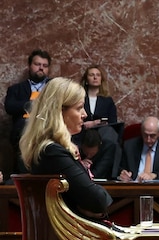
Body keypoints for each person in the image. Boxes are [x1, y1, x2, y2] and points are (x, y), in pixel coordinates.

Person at [19, 77, 112, 218]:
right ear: (59, 112)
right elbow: (98, 201)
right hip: (72, 237)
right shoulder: (52, 152)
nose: (85, 115)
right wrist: (86, 205)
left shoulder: (51, 149)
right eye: (79, 108)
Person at [5, 49, 51, 144]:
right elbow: (9, 107)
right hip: (24, 133)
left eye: (45, 65)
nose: (41, 68)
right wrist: (31, 104)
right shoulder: (16, 89)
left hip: (48, 130)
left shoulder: (56, 87)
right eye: (37, 64)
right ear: (29, 66)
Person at [119, 115, 159, 183]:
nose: (148, 139)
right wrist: (123, 173)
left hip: (157, 189)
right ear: (141, 132)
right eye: (145, 135)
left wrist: (154, 175)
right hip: (133, 187)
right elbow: (120, 168)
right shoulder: (129, 145)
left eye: (152, 136)